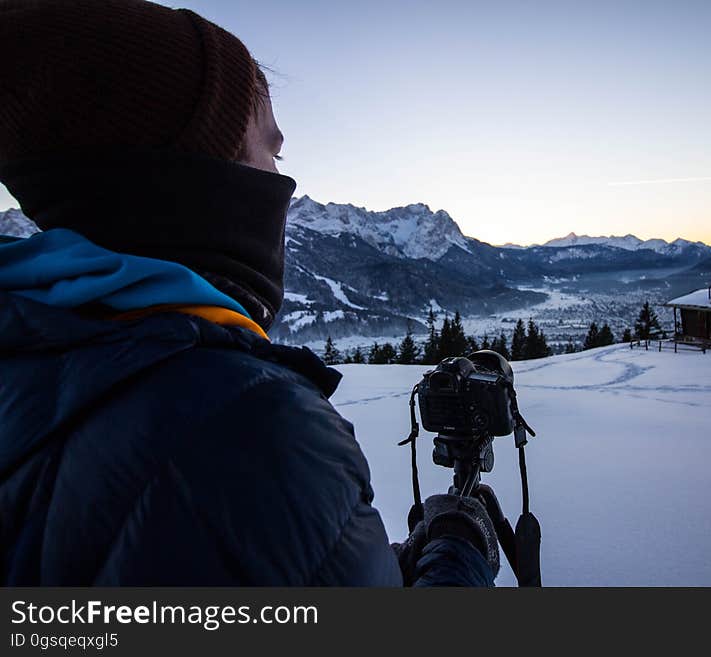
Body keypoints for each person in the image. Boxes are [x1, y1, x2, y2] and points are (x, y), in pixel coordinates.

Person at [0, 0, 498, 586]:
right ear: (198, 176)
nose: (284, 182)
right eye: (273, 150)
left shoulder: (27, 349)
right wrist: (458, 550)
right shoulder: (255, 428)